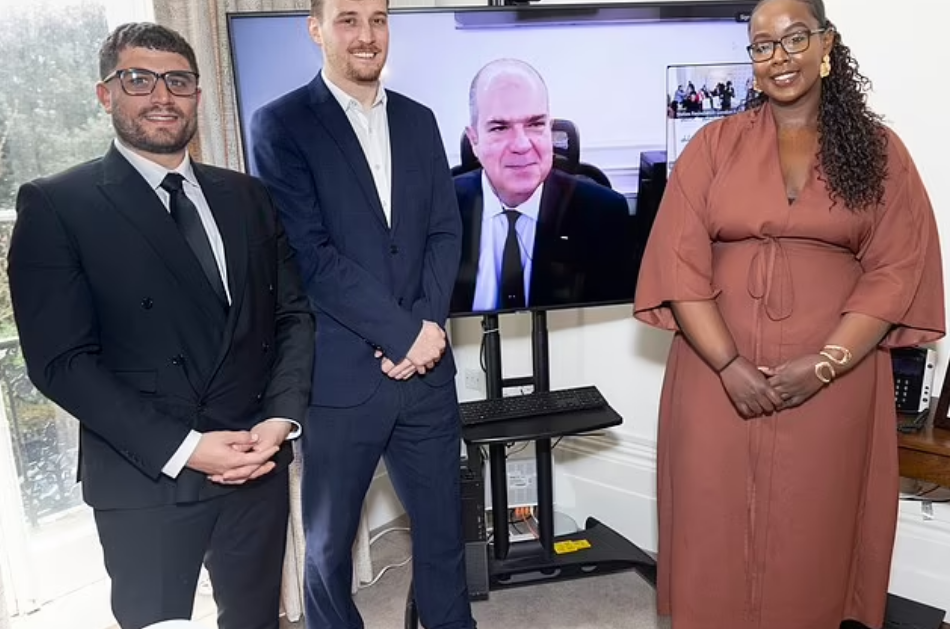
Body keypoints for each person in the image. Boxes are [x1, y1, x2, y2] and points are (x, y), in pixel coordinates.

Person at [632, 0, 944, 628]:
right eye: (762, 45)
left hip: (835, 378)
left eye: (795, 38)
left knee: (815, 531)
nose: (779, 57)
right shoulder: (713, 145)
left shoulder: (880, 152)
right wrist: (729, 365)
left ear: (827, 44)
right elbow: (678, 261)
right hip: (713, 376)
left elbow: (896, 269)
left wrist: (824, 365)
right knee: (712, 525)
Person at [6, 23, 314, 629]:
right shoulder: (57, 204)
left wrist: (278, 421)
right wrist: (189, 448)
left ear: (198, 93)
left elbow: (292, 316)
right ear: (106, 94)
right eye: (139, 79)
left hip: (253, 459)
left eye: (178, 80)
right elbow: (61, 362)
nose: (161, 96)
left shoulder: (247, 196)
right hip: (145, 472)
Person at [248, 0, 475, 628]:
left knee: (443, 540)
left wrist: (425, 331)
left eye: (378, 19)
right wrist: (404, 335)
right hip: (341, 380)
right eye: (348, 19)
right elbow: (311, 255)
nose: (367, 35)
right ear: (316, 29)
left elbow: (444, 234)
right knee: (327, 551)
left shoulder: (419, 120)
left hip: (426, 375)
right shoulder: (280, 124)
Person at [451, 58, 633, 314]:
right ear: (474, 140)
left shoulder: (602, 214)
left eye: (535, 124)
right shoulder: (437, 210)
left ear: (549, 129)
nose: (521, 144)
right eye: (500, 128)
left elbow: (610, 324)